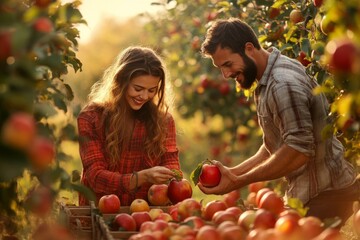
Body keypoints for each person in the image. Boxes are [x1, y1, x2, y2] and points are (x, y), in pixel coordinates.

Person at [198, 18, 359, 225]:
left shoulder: (281, 84)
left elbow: (298, 150)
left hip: (326, 196)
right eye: (221, 68)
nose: (226, 74)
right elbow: (274, 146)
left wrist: (241, 180)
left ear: (249, 48)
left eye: (228, 64)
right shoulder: (267, 78)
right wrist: (233, 173)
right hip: (313, 193)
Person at [77, 46, 181, 206]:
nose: (144, 96)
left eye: (152, 90)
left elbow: (171, 162)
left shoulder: (163, 121)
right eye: (138, 89)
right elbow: (96, 178)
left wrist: (172, 177)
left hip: (146, 214)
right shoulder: (92, 117)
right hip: (100, 212)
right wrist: (142, 177)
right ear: (121, 81)